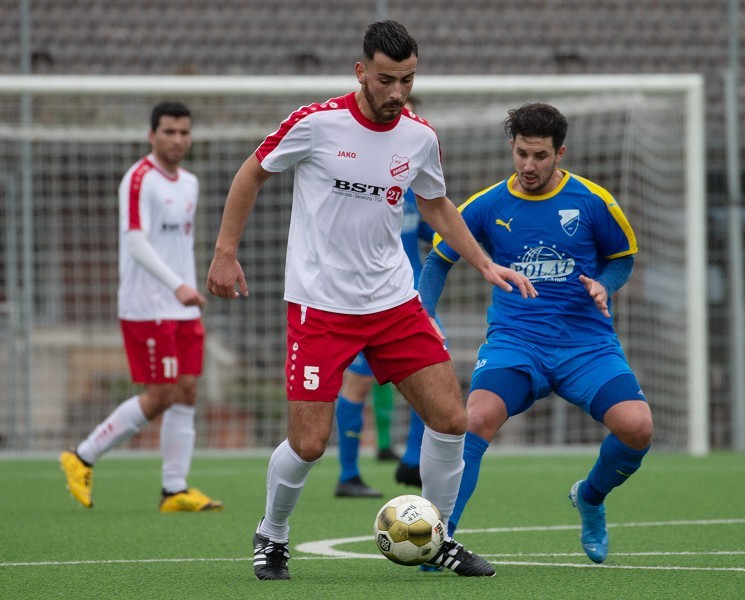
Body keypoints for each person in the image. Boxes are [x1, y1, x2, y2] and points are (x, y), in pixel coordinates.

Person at [205, 21, 535, 580]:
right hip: (320, 306)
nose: (398, 92)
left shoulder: (419, 137)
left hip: (393, 302)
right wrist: (224, 251)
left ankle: (439, 538)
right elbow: (252, 174)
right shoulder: (316, 123)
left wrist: (484, 263)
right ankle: (273, 533)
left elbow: (435, 203)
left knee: (451, 419)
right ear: (361, 72)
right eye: (386, 79)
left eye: (407, 80)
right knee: (309, 444)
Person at [417, 103, 653, 565]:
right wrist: (424, 316)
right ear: (512, 147)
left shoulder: (593, 201)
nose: (528, 165)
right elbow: (437, 261)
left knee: (638, 427)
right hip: (515, 342)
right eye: (521, 153)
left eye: (540, 156)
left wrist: (604, 285)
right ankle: (441, 539)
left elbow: (622, 258)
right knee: (475, 420)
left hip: (586, 346)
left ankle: (590, 497)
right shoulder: (487, 205)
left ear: (560, 153)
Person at [59, 101, 223, 513]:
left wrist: (187, 289)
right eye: (169, 132)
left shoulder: (190, 182)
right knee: (161, 394)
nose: (177, 139)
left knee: (187, 389)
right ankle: (82, 456)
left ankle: (174, 489)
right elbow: (135, 242)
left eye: (184, 132)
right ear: (152, 135)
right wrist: (177, 285)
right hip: (148, 306)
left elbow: (179, 245)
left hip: (183, 307)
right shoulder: (139, 179)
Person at [335, 97, 431, 497]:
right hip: (369, 298)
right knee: (357, 384)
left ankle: (413, 462)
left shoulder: (416, 185)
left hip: (414, 297)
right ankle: (348, 475)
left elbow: (428, 232)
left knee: (432, 376)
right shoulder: (363, 179)